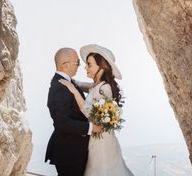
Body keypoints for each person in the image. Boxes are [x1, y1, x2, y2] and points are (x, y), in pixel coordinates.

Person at [59, 44, 134, 176]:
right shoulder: (98, 86)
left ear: (102, 67)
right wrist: (75, 83)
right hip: (96, 141)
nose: (85, 67)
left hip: (102, 144)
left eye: (89, 64)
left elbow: (92, 115)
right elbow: (90, 88)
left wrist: (73, 90)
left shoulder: (105, 88)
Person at [46, 47, 103, 175]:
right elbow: (61, 123)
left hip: (76, 151)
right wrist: (91, 128)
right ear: (65, 65)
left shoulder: (69, 82)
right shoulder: (59, 86)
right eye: (77, 62)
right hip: (69, 152)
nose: (79, 65)